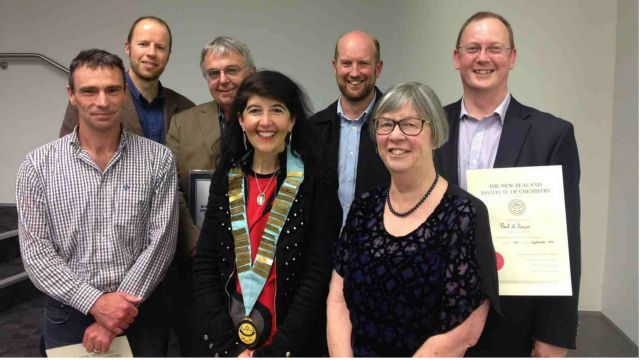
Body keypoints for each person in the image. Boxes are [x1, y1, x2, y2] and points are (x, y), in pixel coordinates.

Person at [435, 11, 581, 357]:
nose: (483, 57)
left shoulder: (551, 135)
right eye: (472, 48)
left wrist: (554, 335)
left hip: (514, 323)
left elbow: (565, 242)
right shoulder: (428, 128)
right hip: (434, 320)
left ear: (512, 57)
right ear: (457, 58)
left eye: (495, 48)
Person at [16, 49, 178, 356]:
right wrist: (95, 302)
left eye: (112, 90)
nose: (102, 102)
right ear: (72, 95)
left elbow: (160, 244)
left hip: (139, 312)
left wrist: (113, 317)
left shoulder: (158, 160)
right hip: (68, 313)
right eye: (89, 91)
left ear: (125, 93)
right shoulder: (38, 165)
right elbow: (37, 253)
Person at [327, 81, 500, 357]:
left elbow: (466, 329)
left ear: (435, 134)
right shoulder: (364, 207)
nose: (395, 136)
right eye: (385, 124)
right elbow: (337, 299)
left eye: (410, 124)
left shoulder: (465, 214)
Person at [192, 70, 342, 357]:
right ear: (240, 119)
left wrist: (276, 352)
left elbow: (317, 274)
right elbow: (206, 265)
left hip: (292, 346)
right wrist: (229, 348)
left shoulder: (317, 179)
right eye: (255, 111)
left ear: (292, 120)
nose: (265, 121)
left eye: (277, 110)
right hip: (228, 346)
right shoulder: (227, 176)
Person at [164, 36, 256, 355]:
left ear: (251, 72)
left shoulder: (271, 118)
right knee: (202, 342)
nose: (222, 80)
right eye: (213, 73)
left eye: (232, 70)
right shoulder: (183, 122)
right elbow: (171, 189)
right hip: (198, 261)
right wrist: (196, 246)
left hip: (260, 260)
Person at [59, 16, 194, 143]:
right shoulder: (89, 99)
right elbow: (68, 152)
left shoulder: (186, 108)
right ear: (128, 48)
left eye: (160, 47)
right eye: (143, 44)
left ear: (169, 54)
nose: (151, 53)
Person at [309, 30, 389, 226]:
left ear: (378, 68)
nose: (354, 73)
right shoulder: (313, 129)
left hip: (380, 250)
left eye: (363, 63)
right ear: (335, 67)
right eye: (346, 63)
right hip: (326, 253)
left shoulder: (397, 127)